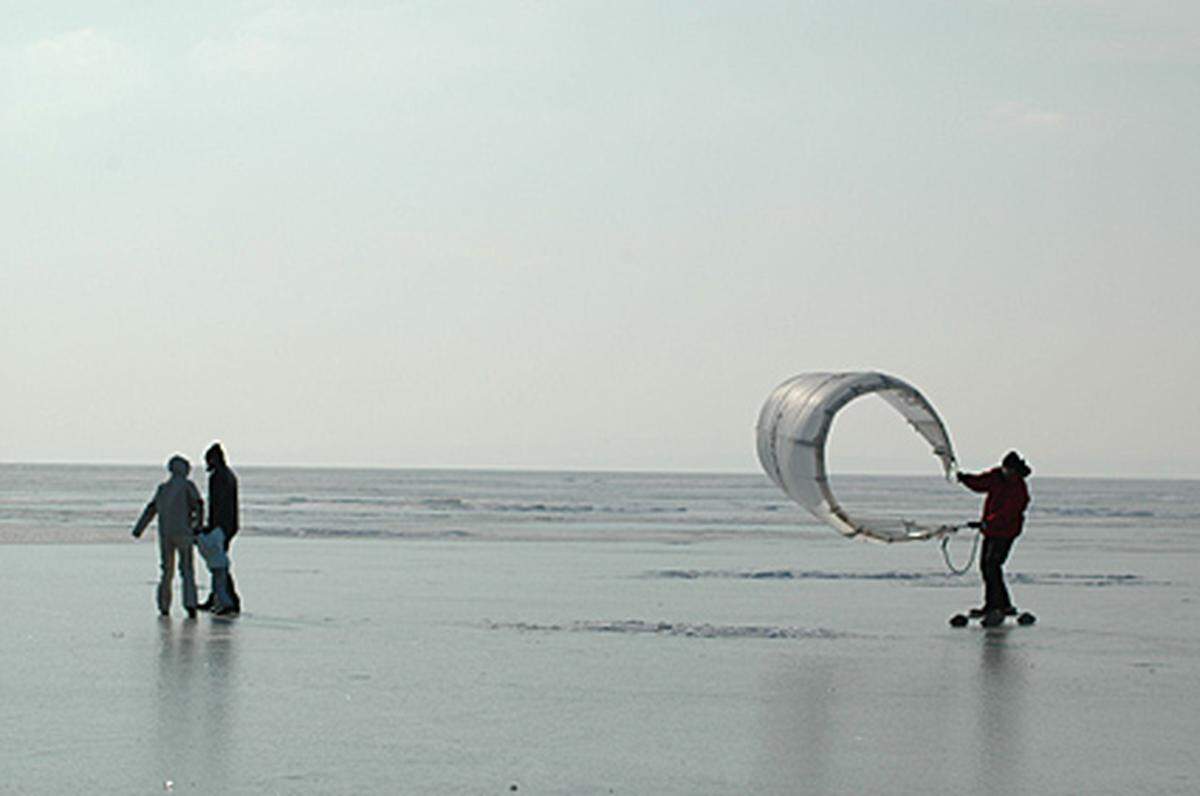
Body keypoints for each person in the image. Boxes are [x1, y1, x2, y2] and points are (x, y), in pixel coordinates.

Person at [957, 451, 1032, 626]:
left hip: (1006, 532)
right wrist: (964, 478)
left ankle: (998, 605)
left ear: (1015, 470)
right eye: (1005, 468)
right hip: (991, 531)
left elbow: (1008, 512)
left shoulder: (1019, 488)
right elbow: (980, 483)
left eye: (1009, 469)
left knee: (993, 565)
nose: (1005, 471)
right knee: (986, 566)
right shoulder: (997, 476)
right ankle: (997, 604)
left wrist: (987, 523)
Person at [132, 455, 204, 618]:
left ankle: (164, 605)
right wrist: (198, 526)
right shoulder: (188, 486)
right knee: (186, 569)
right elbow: (198, 505)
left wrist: (139, 528)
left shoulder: (163, 488)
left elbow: (151, 509)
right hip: (184, 532)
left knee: (166, 570)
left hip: (165, 533)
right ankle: (190, 603)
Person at [198, 441, 241, 613]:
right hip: (230, 524)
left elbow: (217, 504)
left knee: (219, 565)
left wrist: (211, 526)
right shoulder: (228, 475)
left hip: (221, 525)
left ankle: (228, 600)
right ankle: (218, 597)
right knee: (220, 563)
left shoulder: (218, 477)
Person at [195, 524, 236, 615]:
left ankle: (227, 604)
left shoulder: (202, 541)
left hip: (215, 566)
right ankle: (220, 604)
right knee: (218, 586)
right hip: (223, 563)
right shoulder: (217, 535)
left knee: (219, 587)